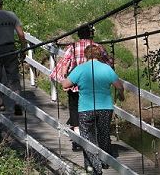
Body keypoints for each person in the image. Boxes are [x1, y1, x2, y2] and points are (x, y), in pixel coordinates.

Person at [62, 45, 124, 175]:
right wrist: (121, 95)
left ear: (85, 55)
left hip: (86, 109)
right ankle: (104, 161)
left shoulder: (80, 69)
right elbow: (119, 86)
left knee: (87, 138)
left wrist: (69, 78)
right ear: (99, 55)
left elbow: (65, 85)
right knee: (104, 134)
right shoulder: (106, 68)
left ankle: (94, 167)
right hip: (105, 108)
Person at [50, 25, 112, 152]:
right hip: (93, 85)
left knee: (75, 110)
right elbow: (109, 63)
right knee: (95, 109)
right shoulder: (98, 47)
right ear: (91, 34)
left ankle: (78, 140)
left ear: (78, 35)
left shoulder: (72, 47)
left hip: (75, 84)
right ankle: (97, 141)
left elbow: (65, 63)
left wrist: (64, 79)